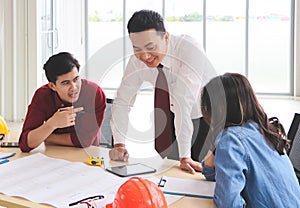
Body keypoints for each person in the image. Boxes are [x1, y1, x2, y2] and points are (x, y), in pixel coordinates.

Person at [109, 9, 217, 174]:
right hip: (173, 111)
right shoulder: (136, 62)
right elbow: (122, 101)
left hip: (208, 114)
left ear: (166, 37)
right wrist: (119, 144)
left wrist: (185, 156)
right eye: (137, 48)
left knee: (205, 172)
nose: (144, 56)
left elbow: (183, 100)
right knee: (172, 171)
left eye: (150, 47)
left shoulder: (188, 49)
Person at [200, 73, 300, 207]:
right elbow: (210, 172)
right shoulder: (263, 130)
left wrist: (218, 134)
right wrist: (217, 140)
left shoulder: (232, 140)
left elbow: (228, 204)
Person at [19, 52, 106, 152]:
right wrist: (52, 124)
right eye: (66, 83)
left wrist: (45, 135)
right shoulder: (42, 96)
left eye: (76, 79)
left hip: (88, 154)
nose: (74, 87)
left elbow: (84, 141)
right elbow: (25, 143)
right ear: (52, 86)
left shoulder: (94, 93)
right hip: (53, 154)